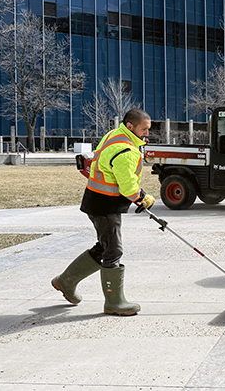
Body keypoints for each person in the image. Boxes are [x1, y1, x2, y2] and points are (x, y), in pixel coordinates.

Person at [51, 108, 155, 316]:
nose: (147, 133)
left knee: (104, 246)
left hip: (97, 200)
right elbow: (127, 188)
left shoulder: (114, 135)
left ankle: (65, 281)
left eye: (148, 129)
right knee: (113, 251)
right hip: (105, 206)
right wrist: (143, 198)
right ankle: (114, 303)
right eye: (144, 129)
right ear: (130, 126)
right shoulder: (125, 150)